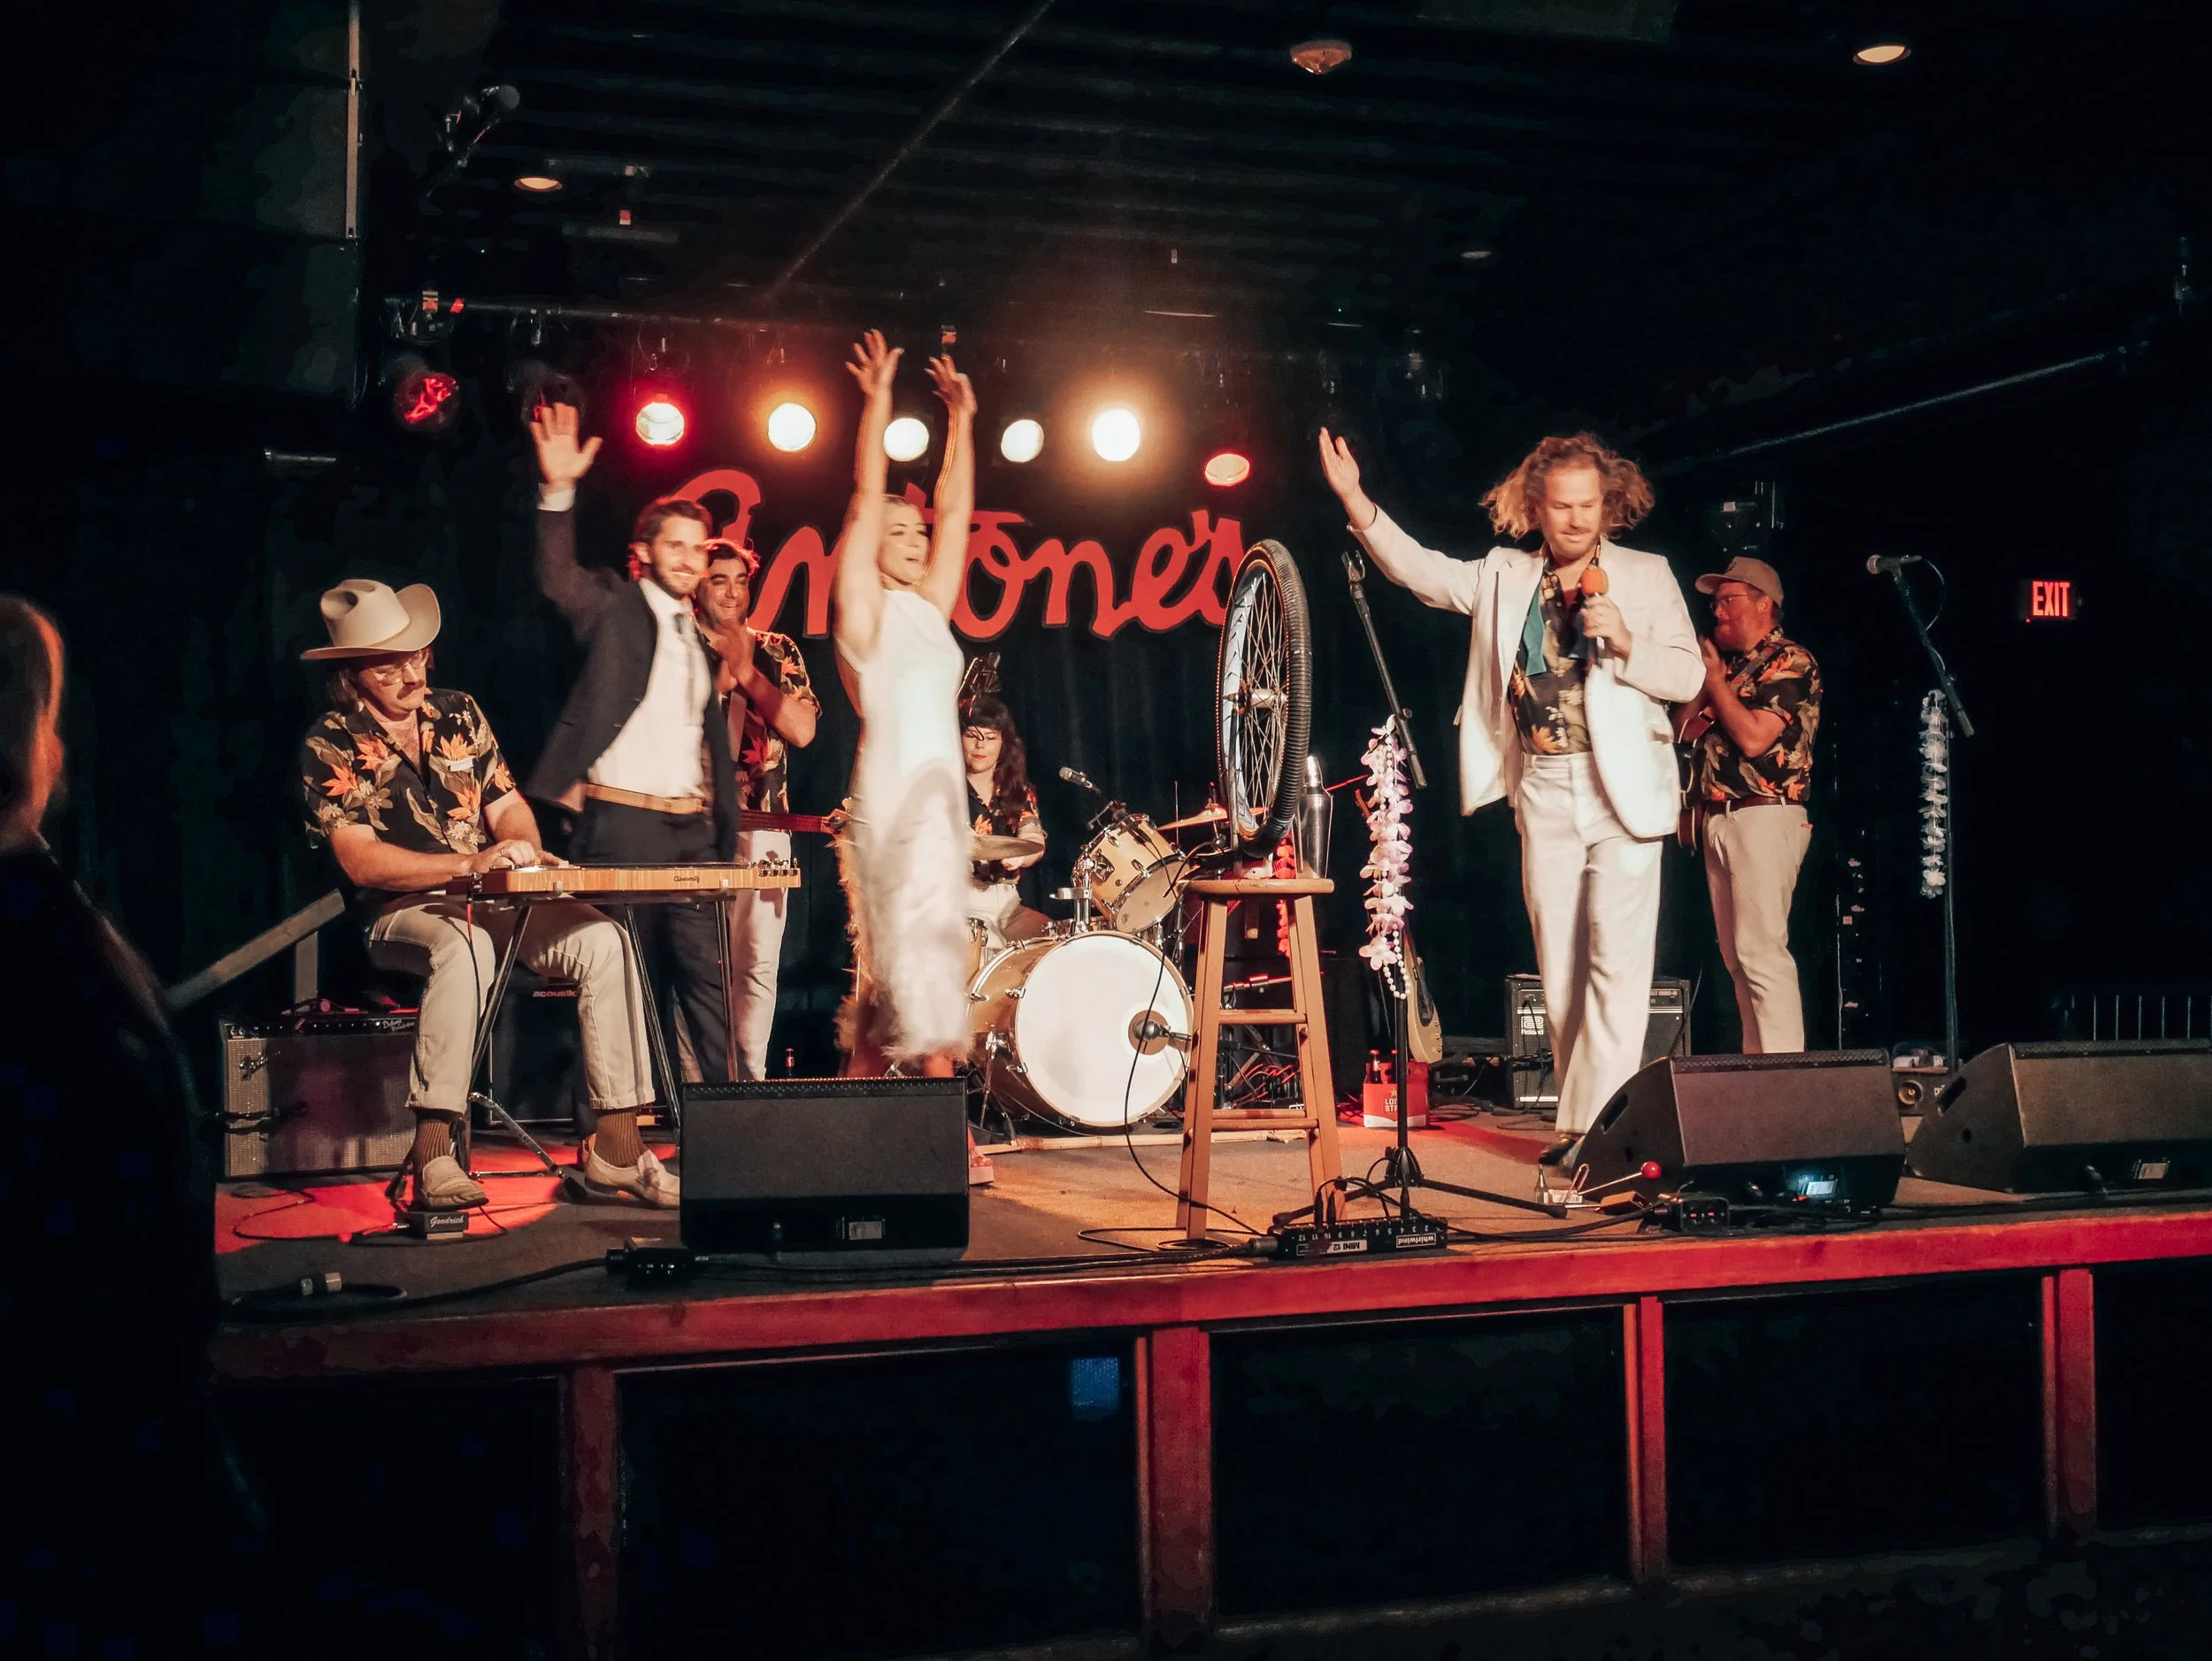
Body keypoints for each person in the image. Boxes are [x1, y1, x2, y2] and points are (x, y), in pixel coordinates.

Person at [1317, 429, 1702, 1161]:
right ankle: (1580, 1122)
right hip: (1548, 787)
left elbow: (1686, 678)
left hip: (1624, 790)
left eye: (1590, 505)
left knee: (1618, 971)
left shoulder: (1645, 575)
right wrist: (1356, 501)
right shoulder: (1504, 574)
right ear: (1536, 506)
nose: (1578, 519)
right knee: (1560, 967)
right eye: (1562, 506)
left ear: (1610, 503)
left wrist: (1625, 640)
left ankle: (1601, 1134)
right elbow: (1422, 574)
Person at [0, 596, 234, 1650]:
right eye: (46, 717)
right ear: (27, 737)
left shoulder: (52, 916)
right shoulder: (42, 941)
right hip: (93, 1431)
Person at [296, 579, 677, 1207]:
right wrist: (471, 862)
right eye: (389, 666)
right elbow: (361, 862)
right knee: (463, 942)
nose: (411, 674)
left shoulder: (459, 712)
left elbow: (509, 806)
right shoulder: (328, 741)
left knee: (604, 940)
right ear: (353, 673)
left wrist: (523, 848)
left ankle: (616, 1148)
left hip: (496, 899)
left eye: (416, 656)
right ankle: (434, 1154)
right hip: (404, 914)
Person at [529, 404, 741, 1082]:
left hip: (690, 834)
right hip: (623, 824)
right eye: (675, 546)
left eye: (698, 548)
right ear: (646, 551)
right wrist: (558, 491)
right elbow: (558, 578)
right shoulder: (616, 607)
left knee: (710, 988)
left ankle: (732, 1128)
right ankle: (608, 1136)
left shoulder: (696, 639)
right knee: (620, 985)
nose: (689, 560)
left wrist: (721, 832)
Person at [831, 330, 979, 1101]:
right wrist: (879, 401)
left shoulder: (929, 611)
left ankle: (855, 1104)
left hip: (941, 807)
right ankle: (939, 1121)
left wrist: (964, 420)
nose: (918, 538)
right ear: (869, 546)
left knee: (896, 978)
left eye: (916, 531)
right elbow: (862, 501)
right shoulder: (863, 613)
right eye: (900, 532)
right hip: (892, 810)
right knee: (916, 964)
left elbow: (955, 514)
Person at [1675, 555, 1823, 1053]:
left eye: (1728, 600)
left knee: (1762, 952)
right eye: (1714, 602)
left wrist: (1716, 683)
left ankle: (1785, 1076)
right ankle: (1757, 1071)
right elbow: (1680, 729)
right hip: (1718, 818)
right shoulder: (1729, 666)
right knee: (1737, 958)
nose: (1716, 611)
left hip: (1765, 814)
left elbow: (1756, 739)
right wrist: (1705, 677)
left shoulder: (1791, 660)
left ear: (1765, 604)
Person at [695, 535, 820, 1080]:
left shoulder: (777, 650)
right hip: (690, 826)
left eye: (740, 580)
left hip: (765, 828)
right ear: (696, 585)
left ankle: (748, 1086)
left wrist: (749, 672)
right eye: (717, 579)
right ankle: (692, 1090)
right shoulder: (676, 643)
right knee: (699, 965)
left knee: (758, 962)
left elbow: (803, 729)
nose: (731, 591)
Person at [961, 690, 1049, 950]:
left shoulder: (1018, 790)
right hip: (957, 902)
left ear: (1003, 744)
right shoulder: (943, 789)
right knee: (992, 945)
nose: (980, 746)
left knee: (1052, 940)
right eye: (972, 736)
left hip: (1007, 903)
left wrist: (1021, 856)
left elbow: (1033, 837)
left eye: (990, 738)